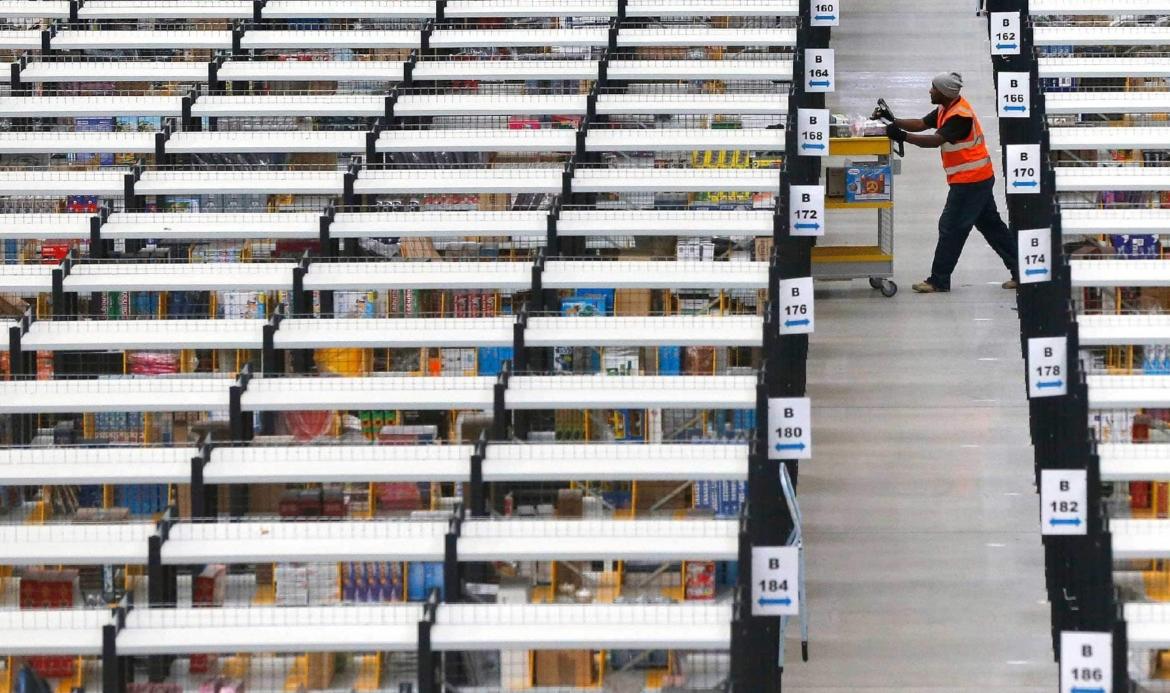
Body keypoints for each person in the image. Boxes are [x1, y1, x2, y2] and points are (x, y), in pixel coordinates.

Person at [879, 71, 1019, 293]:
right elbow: (921, 124)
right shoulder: (948, 107)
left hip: (970, 181)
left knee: (951, 227)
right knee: (993, 228)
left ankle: (938, 280)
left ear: (944, 92)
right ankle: (1023, 272)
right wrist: (893, 121)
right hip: (976, 178)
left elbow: (934, 141)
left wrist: (901, 136)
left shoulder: (960, 117)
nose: (930, 90)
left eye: (933, 88)